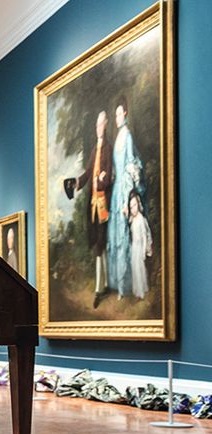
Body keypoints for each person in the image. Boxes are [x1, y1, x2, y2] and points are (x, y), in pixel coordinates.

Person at [63, 110, 113, 308]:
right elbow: (87, 173)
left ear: (106, 125)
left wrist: (102, 179)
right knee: (98, 243)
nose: (98, 128)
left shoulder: (108, 148)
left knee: (101, 244)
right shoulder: (95, 149)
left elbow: (108, 175)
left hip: (104, 204)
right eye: (97, 125)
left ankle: (99, 289)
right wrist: (76, 183)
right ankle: (106, 283)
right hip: (94, 204)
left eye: (101, 124)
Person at [108, 97, 146, 300]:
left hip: (124, 190)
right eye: (115, 115)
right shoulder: (118, 137)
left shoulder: (128, 136)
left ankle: (126, 286)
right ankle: (119, 286)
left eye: (119, 114)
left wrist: (128, 198)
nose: (117, 118)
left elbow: (131, 165)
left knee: (124, 236)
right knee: (116, 236)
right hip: (117, 190)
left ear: (125, 115)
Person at [127, 190, 151, 300]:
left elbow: (145, 236)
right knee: (135, 268)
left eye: (135, 205)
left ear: (139, 204)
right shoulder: (133, 219)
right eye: (131, 207)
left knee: (140, 268)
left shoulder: (141, 219)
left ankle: (141, 291)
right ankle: (137, 291)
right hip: (134, 247)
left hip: (140, 246)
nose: (133, 209)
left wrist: (144, 251)